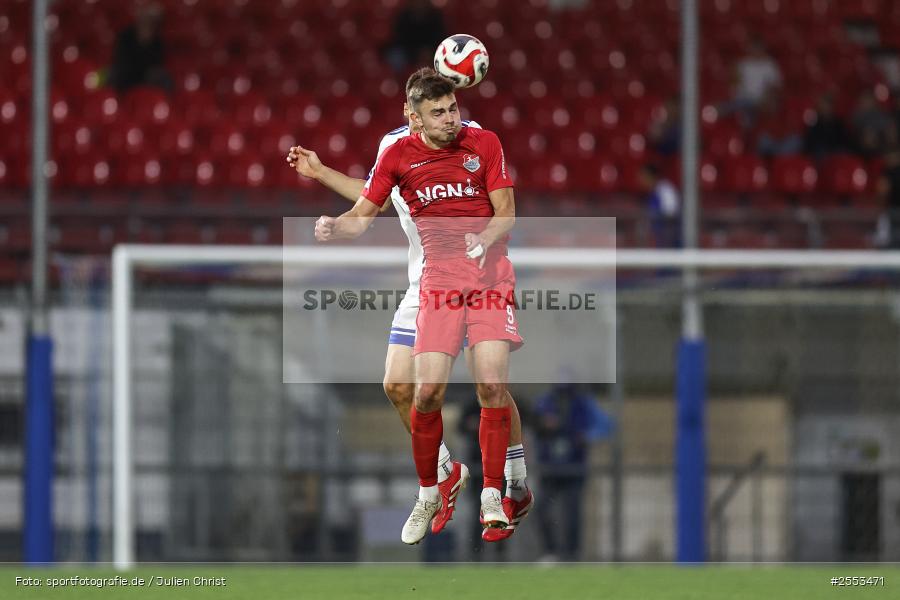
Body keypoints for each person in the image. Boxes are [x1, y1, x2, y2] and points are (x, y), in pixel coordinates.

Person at [289, 69, 532, 544]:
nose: (448, 115)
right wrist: (321, 175)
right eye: (438, 109)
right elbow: (373, 197)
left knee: (492, 381)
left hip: (478, 273)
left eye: (453, 105)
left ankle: (512, 480)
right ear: (412, 113)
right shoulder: (396, 148)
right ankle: (444, 472)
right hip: (427, 280)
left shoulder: (476, 141)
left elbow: (502, 209)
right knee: (401, 386)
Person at [534, 381, 614, 562]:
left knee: (572, 513)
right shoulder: (544, 401)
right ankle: (550, 552)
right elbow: (531, 423)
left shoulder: (584, 403)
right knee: (542, 510)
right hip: (549, 469)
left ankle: (571, 554)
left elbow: (607, 426)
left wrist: (587, 436)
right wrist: (544, 425)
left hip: (574, 468)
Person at [107, 3, 171, 93]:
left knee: (163, 78)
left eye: (149, 18)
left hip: (148, 78)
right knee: (111, 75)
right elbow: (121, 61)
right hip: (127, 75)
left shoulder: (157, 40)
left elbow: (157, 64)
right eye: (143, 16)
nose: (145, 20)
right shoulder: (125, 36)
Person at [384, 0, 447, 72]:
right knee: (396, 57)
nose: (419, 3)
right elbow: (400, 40)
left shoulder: (435, 16)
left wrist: (430, 50)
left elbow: (440, 39)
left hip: (430, 51)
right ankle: (395, 81)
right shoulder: (403, 16)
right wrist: (417, 52)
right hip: (408, 51)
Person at [638, 164, 681, 248]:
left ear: (651, 176)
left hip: (669, 239)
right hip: (658, 238)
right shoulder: (650, 193)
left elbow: (671, 215)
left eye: (643, 176)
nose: (641, 180)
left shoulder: (665, 190)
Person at [803, 93, 848, 161]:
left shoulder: (838, 122)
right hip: (820, 152)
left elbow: (843, 140)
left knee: (842, 152)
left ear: (832, 107)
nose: (825, 108)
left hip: (835, 150)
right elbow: (810, 143)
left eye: (827, 105)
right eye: (823, 105)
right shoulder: (814, 121)